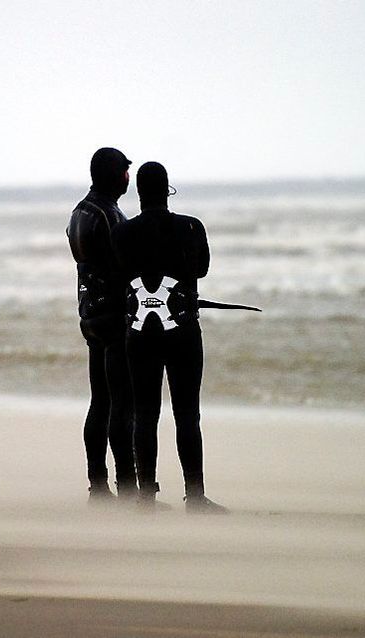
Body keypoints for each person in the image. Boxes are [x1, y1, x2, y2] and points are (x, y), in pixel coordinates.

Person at [111, 161, 227, 513]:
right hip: (183, 332)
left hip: (139, 333)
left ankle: (147, 497)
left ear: (138, 192)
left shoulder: (122, 233)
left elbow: (119, 275)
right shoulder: (191, 226)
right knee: (187, 414)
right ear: (167, 189)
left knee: (145, 415)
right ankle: (195, 496)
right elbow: (202, 270)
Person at [67, 147, 136, 502]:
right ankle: (127, 488)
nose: (129, 177)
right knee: (122, 404)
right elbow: (123, 267)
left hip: (90, 314)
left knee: (100, 401)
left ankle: (97, 484)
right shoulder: (109, 215)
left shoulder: (79, 212)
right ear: (114, 174)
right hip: (112, 317)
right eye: (125, 170)